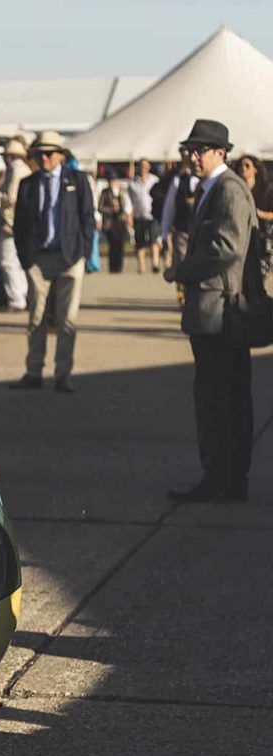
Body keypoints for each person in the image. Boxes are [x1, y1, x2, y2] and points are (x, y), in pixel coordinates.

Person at [165, 120, 258, 504]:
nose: (192, 157)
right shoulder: (212, 189)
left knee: (220, 400)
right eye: (189, 150)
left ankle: (223, 479)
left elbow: (227, 248)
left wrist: (181, 270)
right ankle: (224, 478)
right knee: (219, 398)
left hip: (220, 312)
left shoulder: (228, 189)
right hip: (213, 311)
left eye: (200, 150)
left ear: (221, 153)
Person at [10, 131, 95, 394]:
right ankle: (34, 371)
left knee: (67, 320)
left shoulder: (77, 180)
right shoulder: (28, 184)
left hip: (69, 257)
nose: (44, 158)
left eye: (49, 153)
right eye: (39, 153)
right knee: (36, 318)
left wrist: (82, 252)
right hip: (39, 259)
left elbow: (88, 218)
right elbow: (20, 225)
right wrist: (26, 259)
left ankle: (62, 373)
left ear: (61, 155)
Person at [0, 136, 32, 311]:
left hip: (10, 222)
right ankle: (21, 295)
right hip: (20, 222)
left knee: (7, 261)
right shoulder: (23, 169)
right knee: (16, 261)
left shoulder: (15, 170)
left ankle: (17, 298)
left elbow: (11, 197)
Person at [235, 154, 273, 279]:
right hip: (241, 237)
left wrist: (258, 213)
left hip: (262, 236)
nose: (243, 168)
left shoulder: (267, 189)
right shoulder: (235, 189)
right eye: (241, 166)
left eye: (247, 165)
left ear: (255, 169)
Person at [161, 155, 199, 272]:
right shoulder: (178, 180)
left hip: (200, 231)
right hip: (182, 229)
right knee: (182, 265)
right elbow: (169, 206)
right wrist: (165, 232)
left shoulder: (205, 180)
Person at [128, 159, 161, 274]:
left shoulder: (155, 180)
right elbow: (129, 202)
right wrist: (129, 216)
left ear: (149, 167)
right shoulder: (133, 183)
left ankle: (155, 264)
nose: (143, 168)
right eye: (141, 166)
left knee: (154, 240)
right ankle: (141, 266)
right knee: (140, 242)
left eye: (145, 166)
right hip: (139, 215)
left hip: (153, 216)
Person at [98, 172, 133, 275]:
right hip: (110, 222)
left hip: (121, 221)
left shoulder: (122, 192)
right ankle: (112, 267)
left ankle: (119, 266)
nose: (112, 183)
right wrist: (110, 210)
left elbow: (127, 206)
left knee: (120, 244)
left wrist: (128, 219)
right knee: (112, 245)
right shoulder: (105, 192)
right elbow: (100, 207)